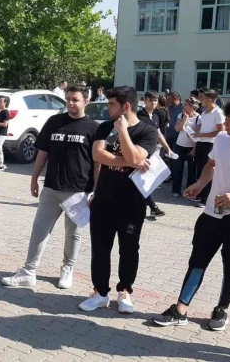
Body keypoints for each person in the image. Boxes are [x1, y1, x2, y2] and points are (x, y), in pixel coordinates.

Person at [153, 98, 230, 332]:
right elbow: (211, 165)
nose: (225, 123)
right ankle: (180, 310)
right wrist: (199, 183)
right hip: (211, 214)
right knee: (197, 260)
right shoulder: (222, 139)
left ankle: (221, 309)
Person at [1, 85, 98, 289]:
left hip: (78, 191)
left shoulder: (93, 128)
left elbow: (98, 162)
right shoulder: (54, 122)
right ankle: (29, 272)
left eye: (75, 100)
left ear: (86, 102)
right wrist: (34, 178)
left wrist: (96, 190)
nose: (71, 103)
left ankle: (67, 269)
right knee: (39, 231)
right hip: (51, 187)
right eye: (68, 99)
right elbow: (42, 152)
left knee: (73, 234)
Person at [78, 86, 157, 314]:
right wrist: (131, 162)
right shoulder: (104, 127)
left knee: (129, 249)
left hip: (132, 203)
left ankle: (124, 291)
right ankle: (100, 293)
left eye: (112, 104)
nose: (108, 108)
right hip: (103, 199)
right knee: (100, 248)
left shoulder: (147, 131)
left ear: (126, 106)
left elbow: (135, 155)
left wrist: (122, 132)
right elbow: (97, 155)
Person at [137, 91, 171, 217]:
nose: (153, 102)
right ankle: (153, 207)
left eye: (155, 100)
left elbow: (158, 133)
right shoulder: (139, 116)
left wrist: (168, 148)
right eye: (150, 100)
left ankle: (149, 206)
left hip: (153, 153)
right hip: (141, 153)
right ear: (145, 101)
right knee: (142, 181)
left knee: (146, 181)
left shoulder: (155, 116)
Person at [192, 89, 226, 206]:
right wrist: (198, 134)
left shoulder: (218, 113)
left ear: (210, 100)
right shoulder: (204, 113)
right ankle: (200, 195)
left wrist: (202, 135)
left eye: (203, 98)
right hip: (201, 143)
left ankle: (206, 199)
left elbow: (221, 131)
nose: (200, 100)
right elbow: (202, 128)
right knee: (200, 170)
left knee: (208, 171)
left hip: (211, 145)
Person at [172, 97, 201, 198]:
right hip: (180, 145)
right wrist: (185, 118)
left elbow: (198, 135)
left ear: (192, 107)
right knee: (178, 168)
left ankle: (189, 191)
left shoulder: (198, 118)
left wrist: (194, 149)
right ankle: (176, 190)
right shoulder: (181, 115)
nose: (183, 106)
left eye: (186, 105)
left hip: (191, 147)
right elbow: (177, 129)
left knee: (191, 170)